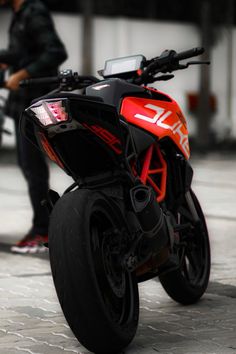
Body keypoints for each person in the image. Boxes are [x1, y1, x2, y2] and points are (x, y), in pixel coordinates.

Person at [0, 0, 67, 253]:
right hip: (23, 103)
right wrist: (6, 61)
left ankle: (44, 229)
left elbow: (55, 51)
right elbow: (23, 52)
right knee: (28, 165)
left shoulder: (34, 11)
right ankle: (45, 224)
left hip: (37, 101)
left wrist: (22, 73)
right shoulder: (19, 15)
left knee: (32, 165)